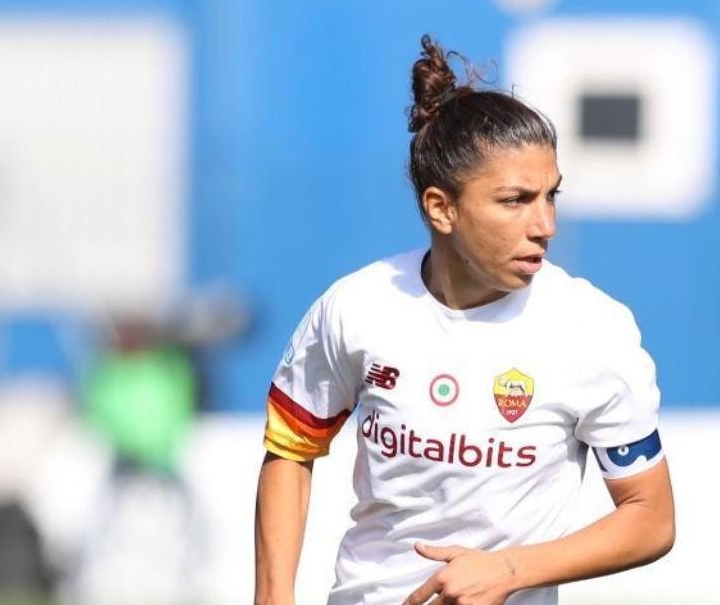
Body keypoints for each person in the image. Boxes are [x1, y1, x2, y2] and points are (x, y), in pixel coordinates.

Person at [255, 35, 675, 605]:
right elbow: (289, 452)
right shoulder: (356, 307)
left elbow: (650, 518)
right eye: (515, 200)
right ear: (441, 208)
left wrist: (508, 570)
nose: (545, 224)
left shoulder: (592, 327)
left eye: (551, 195)